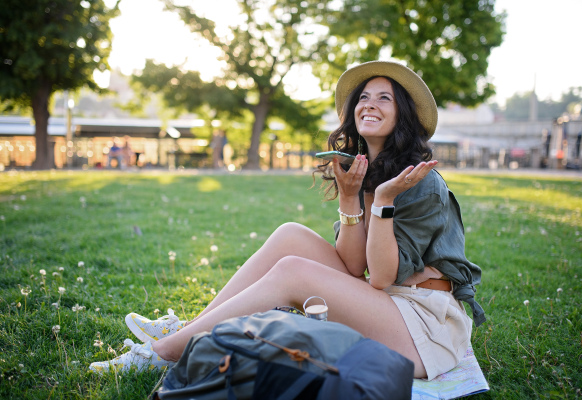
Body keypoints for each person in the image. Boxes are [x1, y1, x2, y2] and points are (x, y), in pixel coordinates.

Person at [89, 61, 485, 380]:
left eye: (385, 98)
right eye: (364, 97)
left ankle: (165, 352)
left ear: (403, 113)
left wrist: (381, 201)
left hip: (423, 328)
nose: (370, 104)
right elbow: (352, 266)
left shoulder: (421, 180)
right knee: (290, 236)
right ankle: (190, 328)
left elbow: (381, 276)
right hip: (390, 305)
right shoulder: (367, 169)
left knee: (293, 272)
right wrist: (351, 197)